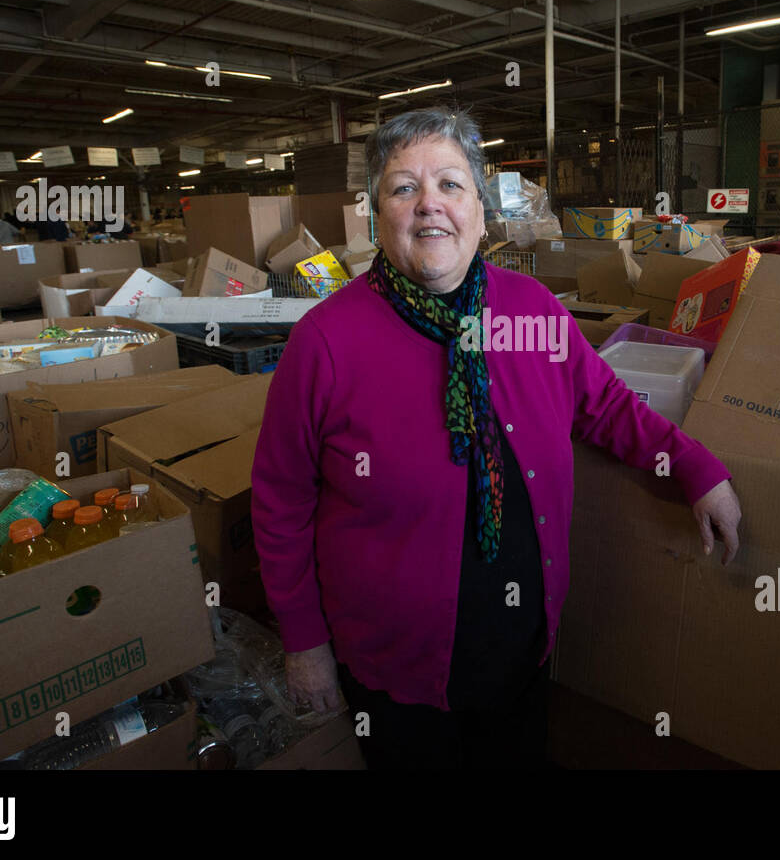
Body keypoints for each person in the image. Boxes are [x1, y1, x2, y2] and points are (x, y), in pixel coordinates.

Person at [251, 107, 743, 770]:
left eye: (451, 184)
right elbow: (280, 501)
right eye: (404, 188)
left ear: (481, 211)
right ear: (378, 215)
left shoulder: (531, 310)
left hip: (522, 647)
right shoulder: (326, 341)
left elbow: (606, 407)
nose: (430, 205)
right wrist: (304, 643)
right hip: (395, 670)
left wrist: (695, 468)